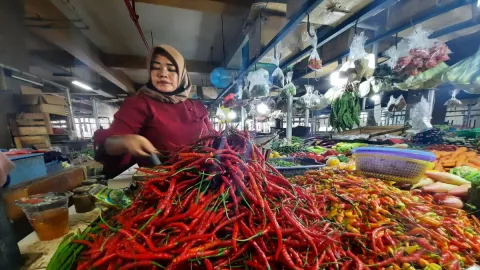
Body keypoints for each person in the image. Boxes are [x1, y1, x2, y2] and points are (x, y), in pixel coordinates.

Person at [94, 45, 214, 177]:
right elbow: (108, 143)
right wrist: (125, 141)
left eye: (171, 69)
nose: (163, 73)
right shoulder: (138, 104)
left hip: (203, 181)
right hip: (161, 184)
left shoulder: (198, 107)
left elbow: (215, 141)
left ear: (181, 75)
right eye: (156, 68)